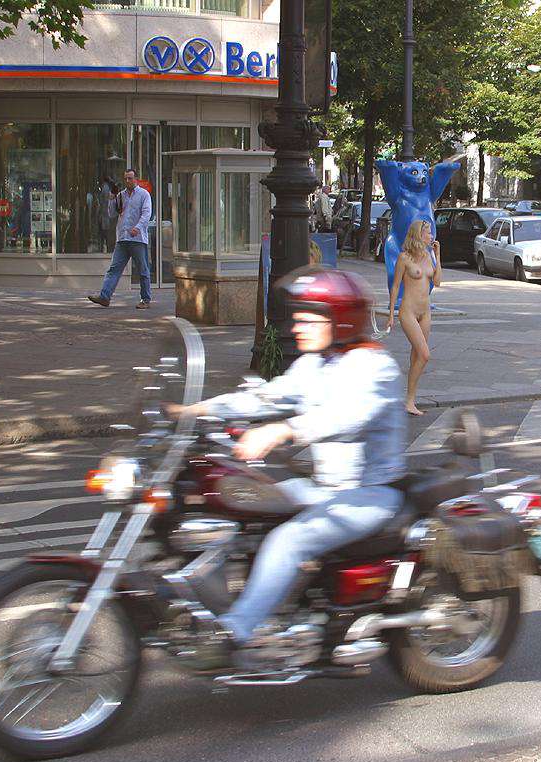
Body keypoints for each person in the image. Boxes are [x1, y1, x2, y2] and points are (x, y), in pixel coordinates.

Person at [177, 266, 405, 653]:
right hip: (325, 489)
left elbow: (347, 416)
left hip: (369, 494)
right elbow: (267, 397)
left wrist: (281, 431)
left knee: (288, 540)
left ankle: (236, 632)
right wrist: (196, 409)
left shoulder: (373, 366)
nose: (297, 327)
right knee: (246, 506)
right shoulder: (316, 363)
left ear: (340, 320)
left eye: (308, 320)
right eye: (297, 318)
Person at [387, 219, 441, 416]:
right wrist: (391, 313)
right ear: (419, 234)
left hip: (425, 312)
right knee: (425, 354)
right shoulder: (404, 258)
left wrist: (438, 256)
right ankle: (409, 400)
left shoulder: (428, 255)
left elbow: (437, 281)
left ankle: (410, 399)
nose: (431, 236)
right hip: (408, 311)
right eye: (428, 232)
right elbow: (395, 286)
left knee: (417, 356)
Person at [88, 169, 153, 309]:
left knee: (143, 270)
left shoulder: (143, 194)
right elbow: (112, 213)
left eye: (130, 178)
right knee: (114, 269)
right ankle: (105, 296)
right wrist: (112, 198)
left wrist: (138, 227)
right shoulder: (121, 195)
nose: (128, 181)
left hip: (137, 239)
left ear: (136, 179)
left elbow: (147, 214)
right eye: (126, 178)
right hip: (123, 238)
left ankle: (145, 299)